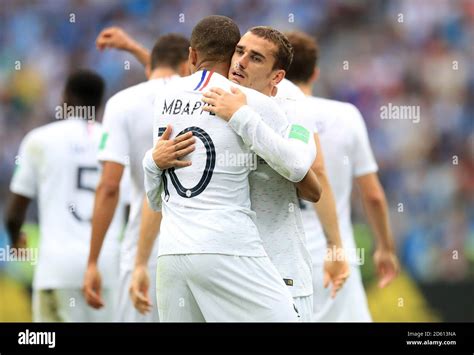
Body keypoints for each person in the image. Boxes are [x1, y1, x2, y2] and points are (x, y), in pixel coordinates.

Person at [142, 15, 321, 322]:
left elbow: (310, 185)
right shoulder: (217, 97)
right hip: (227, 251)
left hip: (276, 262)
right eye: (238, 52)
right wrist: (151, 160)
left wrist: (241, 116)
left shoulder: (292, 105)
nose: (240, 62)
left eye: (255, 58)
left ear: (276, 77)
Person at [280, 30, 399, 321]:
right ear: (316, 72)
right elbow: (372, 194)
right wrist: (384, 247)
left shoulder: (266, 114)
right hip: (335, 255)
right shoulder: (346, 116)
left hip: (282, 258)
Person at [82, 32, 191, 322]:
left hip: (145, 245)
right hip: (199, 239)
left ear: (150, 64)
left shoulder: (122, 103)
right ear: (189, 63)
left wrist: (92, 261)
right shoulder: (205, 96)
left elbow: (108, 186)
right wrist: (134, 46)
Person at [5, 70, 127, 322]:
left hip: (56, 268)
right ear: (100, 102)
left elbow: (15, 210)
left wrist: (16, 239)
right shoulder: (116, 142)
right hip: (106, 269)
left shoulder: (39, 139)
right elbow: (126, 208)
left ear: (65, 97)